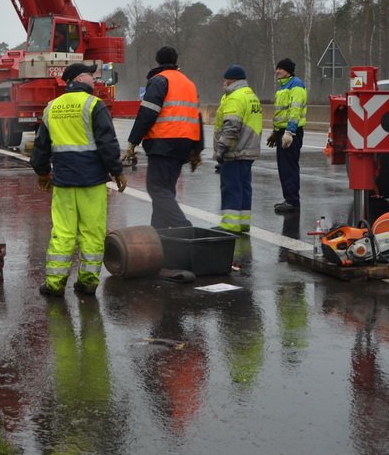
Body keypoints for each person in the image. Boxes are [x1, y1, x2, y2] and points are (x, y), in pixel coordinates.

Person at [31, 62, 127, 297]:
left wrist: (42, 172)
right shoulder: (94, 105)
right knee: (92, 233)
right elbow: (107, 142)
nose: (95, 80)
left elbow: (41, 146)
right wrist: (117, 170)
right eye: (92, 76)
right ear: (81, 78)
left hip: (63, 181)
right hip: (92, 182)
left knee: (62, 233)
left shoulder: (51, 107)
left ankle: (54, 284)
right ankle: (87, 282)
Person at [122, 46, 203, 228]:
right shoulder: (188, 83)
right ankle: (159, 234)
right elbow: (197, 116)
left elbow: (147, 114)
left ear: (158, 61)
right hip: (184, 144)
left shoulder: (159, 80)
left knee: (157, 189)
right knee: (166, 191)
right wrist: (197, 149)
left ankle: (184, 228)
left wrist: (133, 142)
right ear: (175, 61)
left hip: (163, 143)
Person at [212, 65, 262, 233]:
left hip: (235, 150)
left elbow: (231, 126)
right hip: (249, 149)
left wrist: (222, 148)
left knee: (231, 186)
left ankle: (229, 224)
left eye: (225, 80)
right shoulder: (251, 95)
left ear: (231, 80)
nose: (223, 84)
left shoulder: (235, 97)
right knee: (244, 186)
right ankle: (243, 222)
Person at [267, 57, 307, 214]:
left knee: (289, 167)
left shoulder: (296, 85)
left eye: (280, 69)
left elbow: (294, 110)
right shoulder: (283, 86)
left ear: (288, 71)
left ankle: (292, 201)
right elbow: (281, 113)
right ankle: (289, 199)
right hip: (282, 132)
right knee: (284, 168)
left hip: (291, 133)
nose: (277, 71)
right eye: (277, 68)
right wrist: (276, 132)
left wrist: (290, 132)